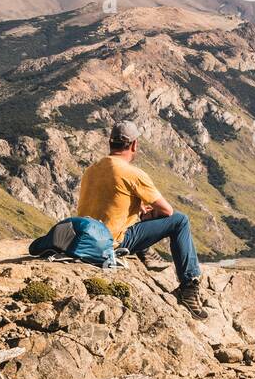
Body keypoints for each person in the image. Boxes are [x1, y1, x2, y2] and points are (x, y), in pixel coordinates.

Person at [76, 120, 207, 318]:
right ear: (134, 145)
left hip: (86, 238)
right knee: (180, 221)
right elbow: (167, 211)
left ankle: (144, 251)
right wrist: (148, 213)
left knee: (140, 216)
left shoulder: (91, 170)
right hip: (111, 243)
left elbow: (108, 204)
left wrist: (136, 207)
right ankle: (189, 286)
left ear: (110, 143)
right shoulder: (132, 173)